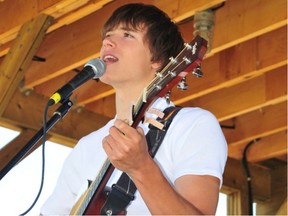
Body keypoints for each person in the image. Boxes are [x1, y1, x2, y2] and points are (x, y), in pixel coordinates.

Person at [40, 3, 227, 215]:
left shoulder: (192, 125)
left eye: (127, 35)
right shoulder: (87, 146)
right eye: (108, 35)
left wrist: (141, 168)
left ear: (157, 59)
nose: (108, 42)